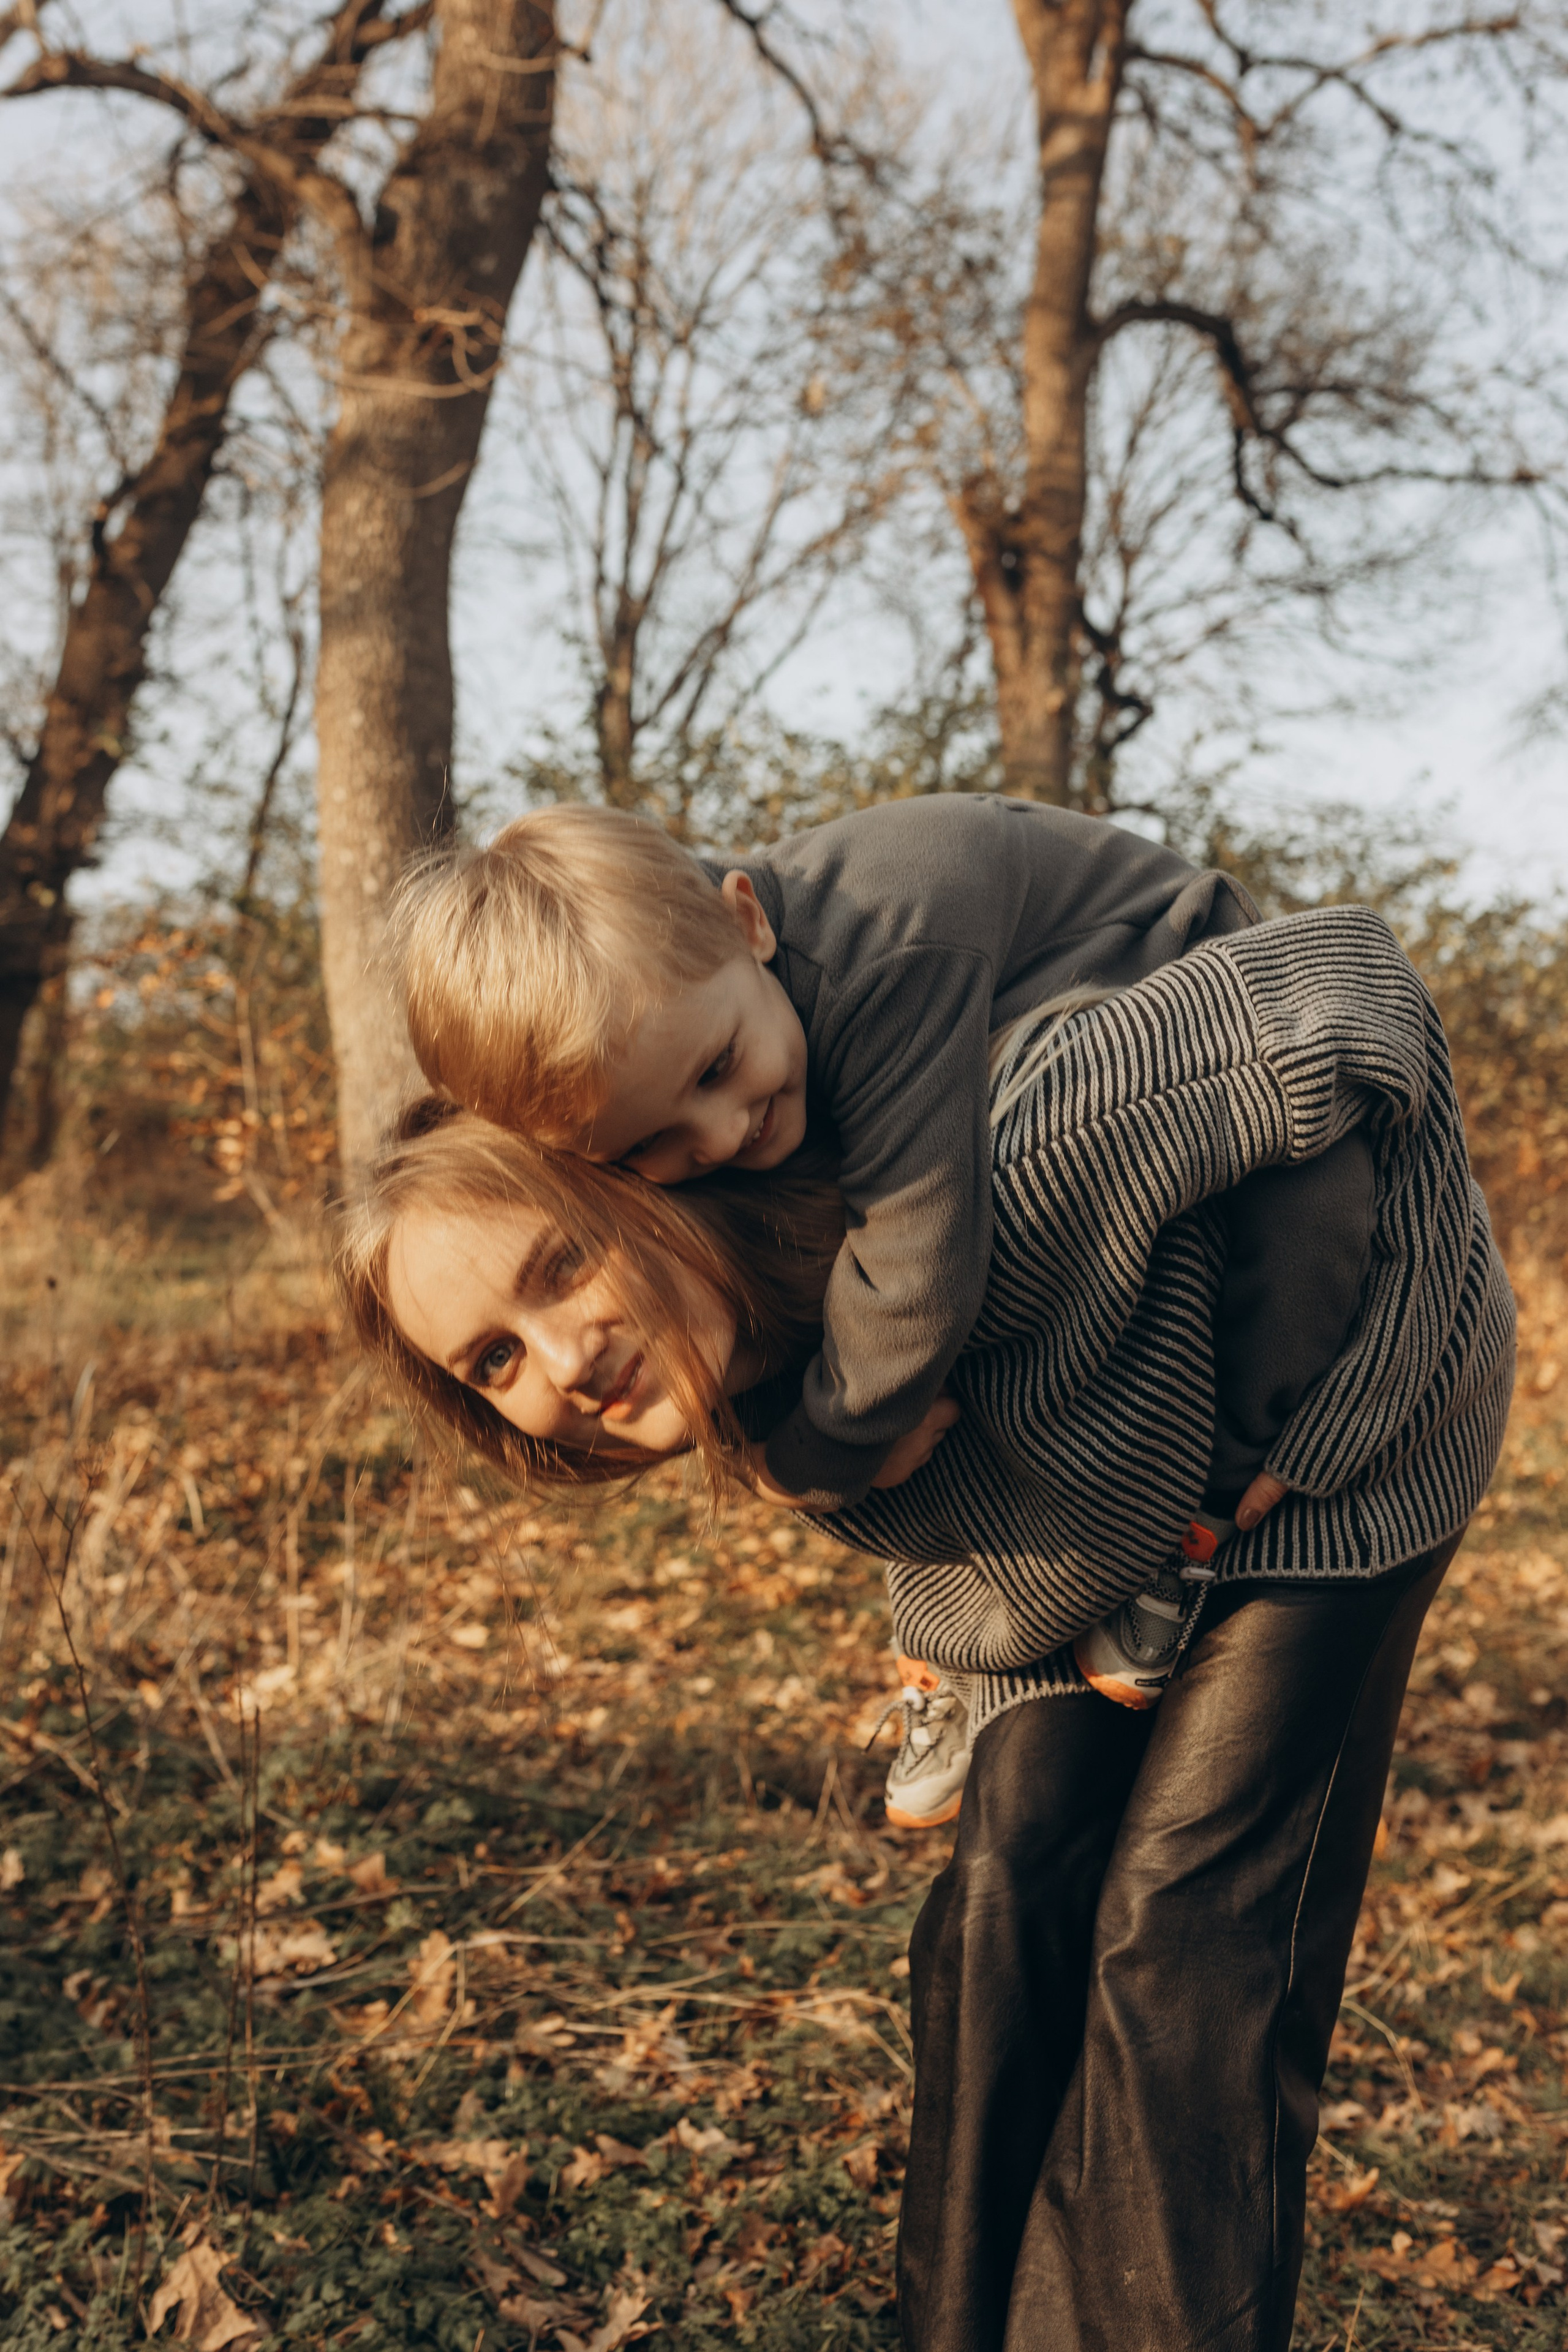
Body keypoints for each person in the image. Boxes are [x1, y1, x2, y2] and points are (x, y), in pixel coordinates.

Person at [341, 902, 1513, 2352]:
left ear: (628, 1186)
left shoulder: (1006, 1164)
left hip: (1343, 1445)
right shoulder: (776, 1398)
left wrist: (1377, 1371)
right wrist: (950, 1605)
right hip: (1133, 1518)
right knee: (1006, 1883)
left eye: (561, 1267)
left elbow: (1354, 985)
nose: (561, 1364)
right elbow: (1049, 1466)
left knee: (1180, 1932)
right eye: (494, 1359)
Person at [393, 797, 1379, 1814]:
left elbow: (917, 1270)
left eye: (718, 1071)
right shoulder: (709, 1002)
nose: (722, 1135)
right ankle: (960, 1630)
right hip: (1010, 1019)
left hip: (1177, 979)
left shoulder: (891, 948)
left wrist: (819, 1454)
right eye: (649, 1148)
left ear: (749, 924)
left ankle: (1212, 1511)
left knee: (1291, 1239)